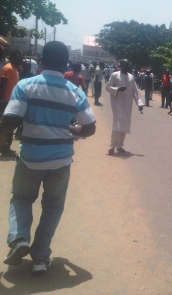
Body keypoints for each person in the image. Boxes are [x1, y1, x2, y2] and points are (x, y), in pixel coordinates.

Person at [0, 41, 96, 274]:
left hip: (30, 157)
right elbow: (90, 128)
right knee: (53, 207)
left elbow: (11, 121)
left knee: (22, 198)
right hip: (61, 161)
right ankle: (41, 256)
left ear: (41, 61)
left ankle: (20, 238)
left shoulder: (26, 85)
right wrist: (71, 130)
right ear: (66, 65)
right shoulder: (74, 92)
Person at [106, 59, 144, 155]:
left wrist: (139, 104)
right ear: (121, 65)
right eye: (126, 65)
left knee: (125, 125)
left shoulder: (131, 77)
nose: (128, 66)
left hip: (128, 105)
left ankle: (120, 146)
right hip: (117, 104)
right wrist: (118, 89)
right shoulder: (115, 75)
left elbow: (135, 92)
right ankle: (112, 147)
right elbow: (108, 87)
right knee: (117, 125)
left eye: (129, 65)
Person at [0, 48, 24, 157]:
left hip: (11, 102)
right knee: (6, 127)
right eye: (19, 58)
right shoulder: (8, 68)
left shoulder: (14, 68)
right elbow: (2, 86)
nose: (21, 60)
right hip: (5, 102)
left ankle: (6, 147)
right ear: (13, 57)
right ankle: (4, 149)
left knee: (9, 127)